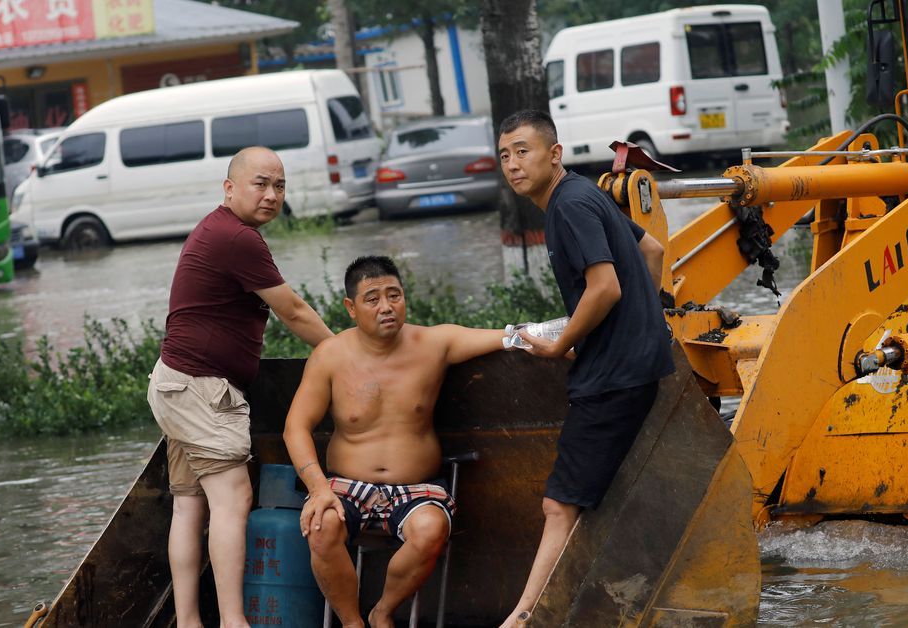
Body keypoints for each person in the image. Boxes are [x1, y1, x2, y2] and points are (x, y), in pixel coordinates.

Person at [494, 109, 674, 625]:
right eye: (504, 155)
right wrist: (645, 323)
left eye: (523, 151)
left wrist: (561, 344)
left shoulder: (568, 206)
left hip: (612, 380)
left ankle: (524, 618)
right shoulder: (581, 194)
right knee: (583, 501)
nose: (512, 164)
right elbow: (653, 250)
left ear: (555, 154)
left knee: (560, 505)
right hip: (631, 367)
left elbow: (606, 287)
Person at [147, 146, 335, 628]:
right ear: (229, 189)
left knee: (190, 506)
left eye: (280, 185)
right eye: (260, 184)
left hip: (177, 384)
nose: (272, 194)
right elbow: (293, 311)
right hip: (202, 390)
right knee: (232, 501)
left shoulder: (221, 229)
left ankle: (189, 621)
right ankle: (234, 621)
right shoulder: (237, 237)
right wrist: (343, 354)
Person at [283, 255, 508, 628]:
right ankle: (353, 622)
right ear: (351, 308)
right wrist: (318, 487)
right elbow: (295, 427)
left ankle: (383, 613)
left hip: (417, 487)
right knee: (321, 527)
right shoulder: (330, 356)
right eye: (373, 298)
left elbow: (508, 336)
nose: (386, 306)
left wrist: (558, 341)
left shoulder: (435, 342)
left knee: (430, 530)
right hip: (344, 485)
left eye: (394, 295)